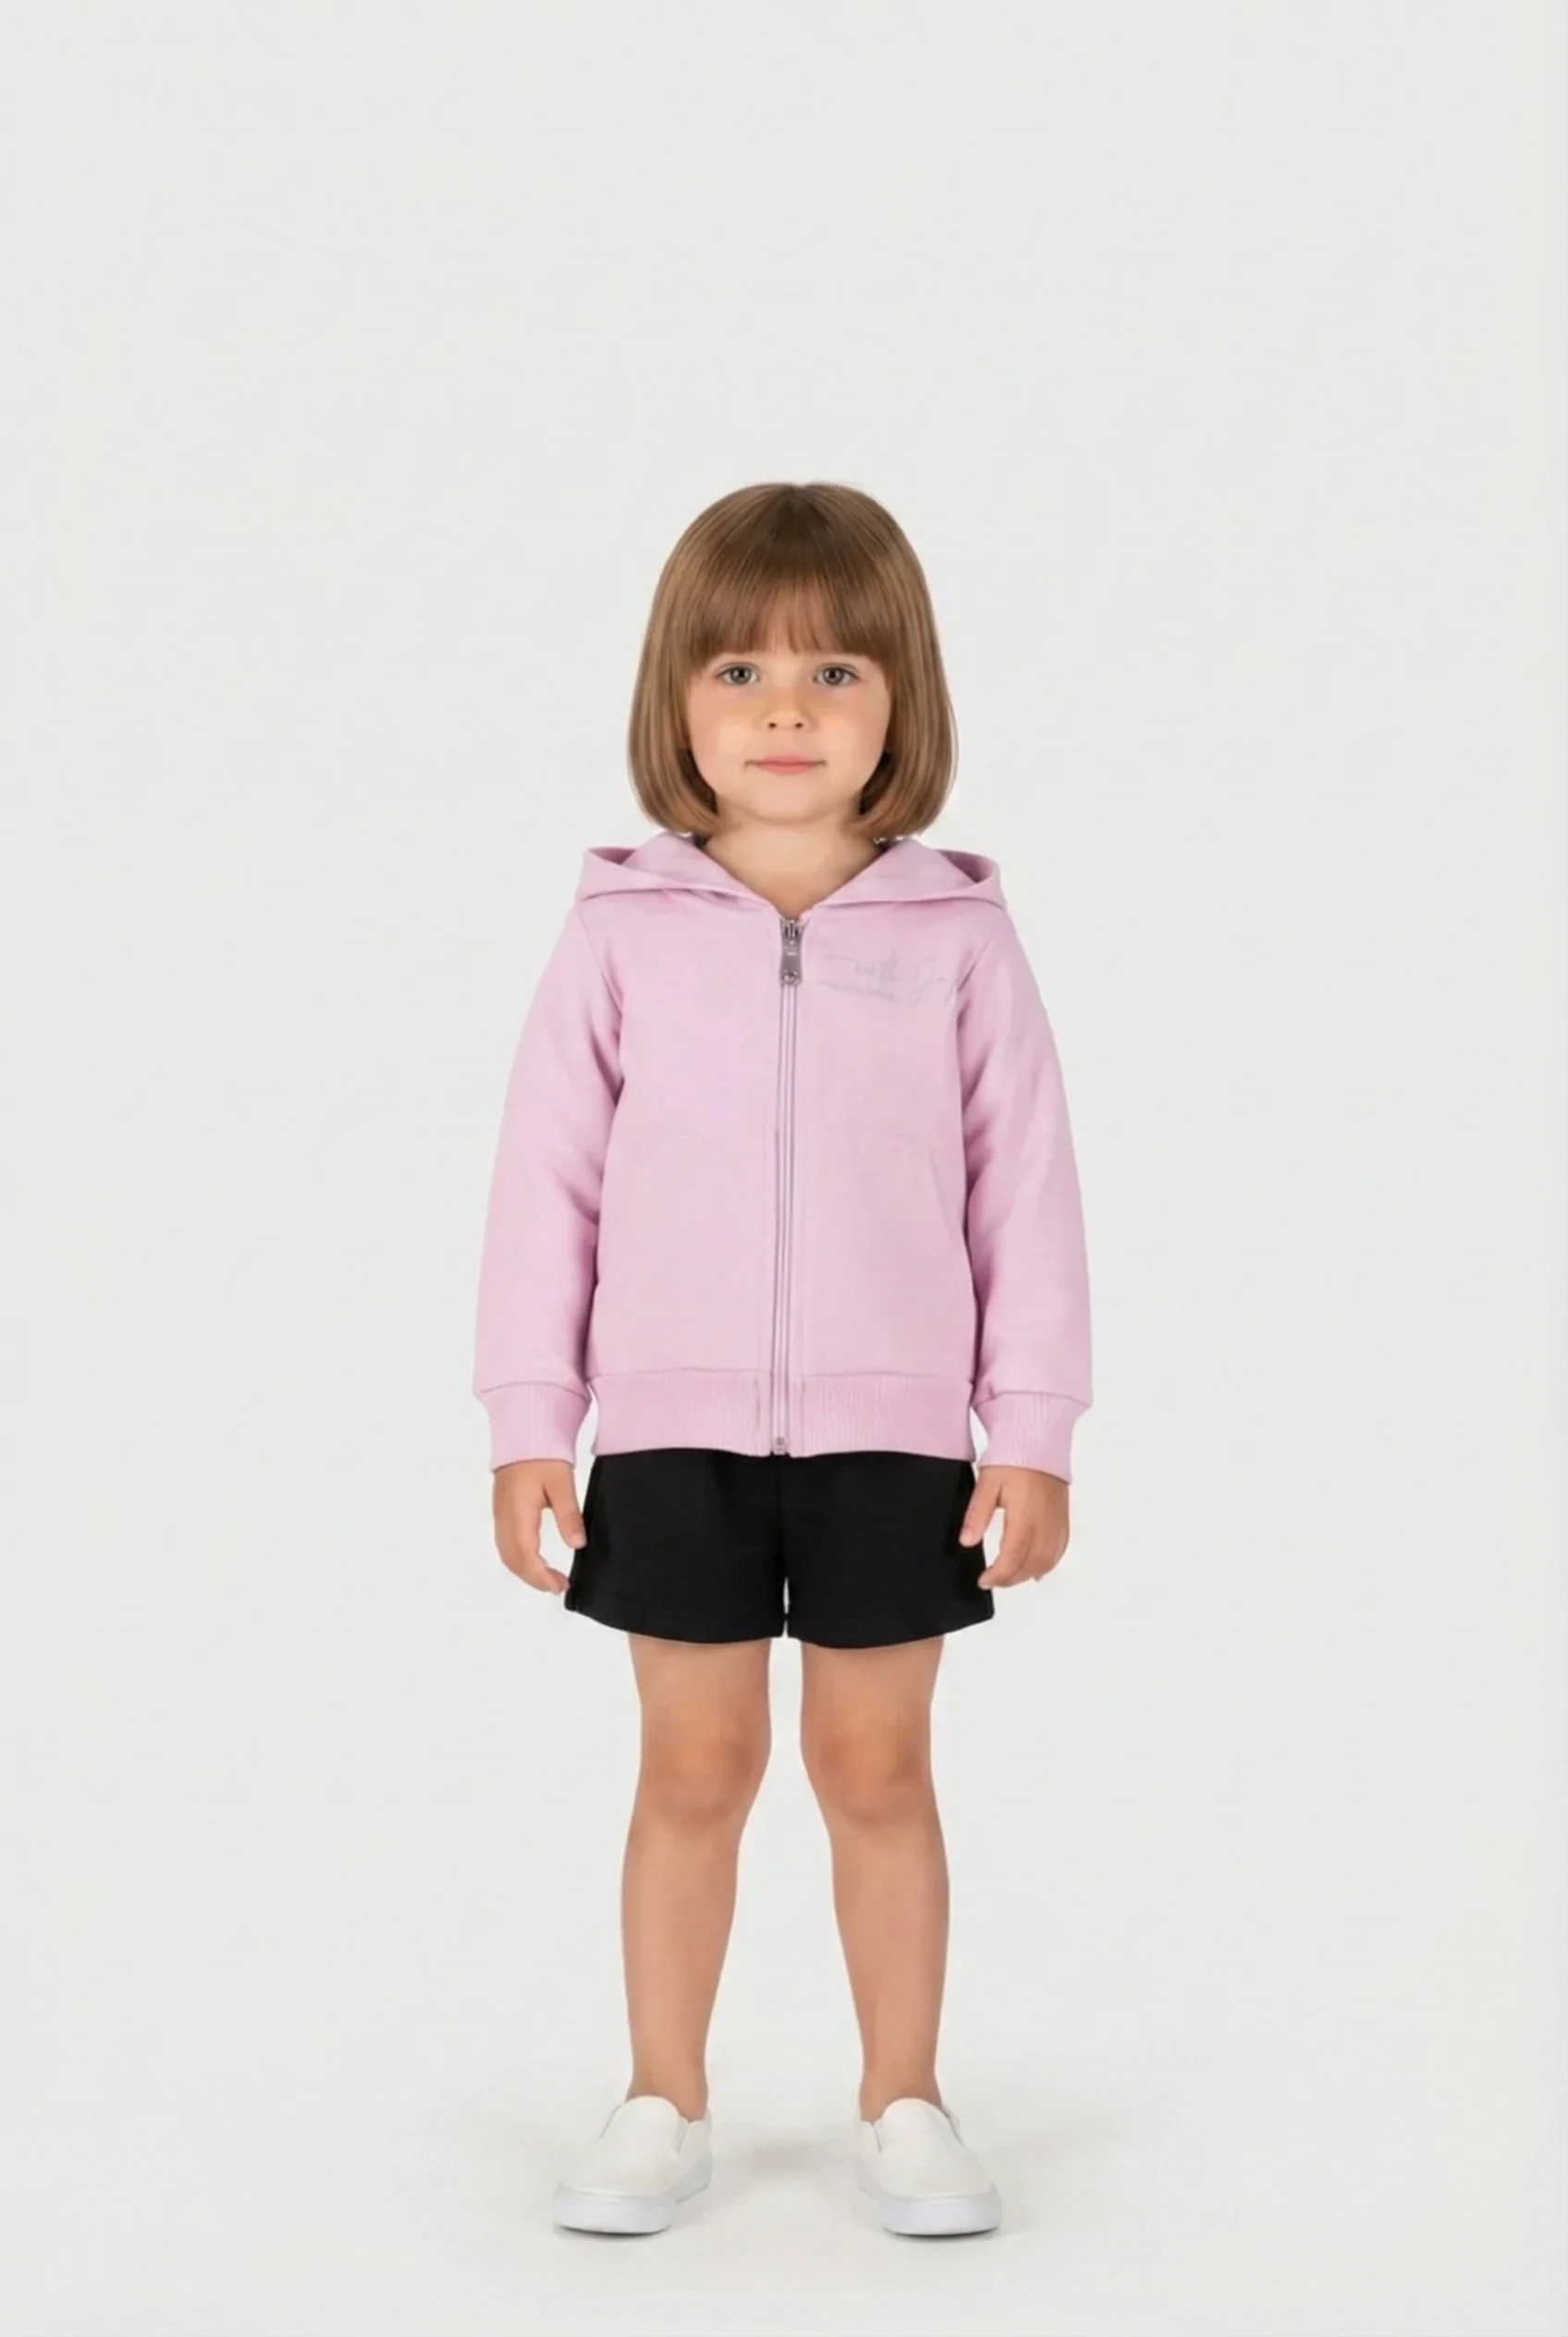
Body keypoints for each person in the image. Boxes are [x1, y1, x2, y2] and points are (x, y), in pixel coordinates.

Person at [472, 480, 1093, 2238]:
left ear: (904, 701)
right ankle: (661, 2098)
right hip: (671, 1431)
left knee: (878, 1772)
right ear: (676, 699)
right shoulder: (618, 933)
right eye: (738, 670)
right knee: (692, 1768)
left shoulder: (960, 938)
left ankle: (906, 2099)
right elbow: (545, 1184)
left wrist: (1033, 1428)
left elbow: (1025, 1189)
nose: (786, 710)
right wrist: (531, 1417)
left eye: (835, 671)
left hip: (899, 1435)